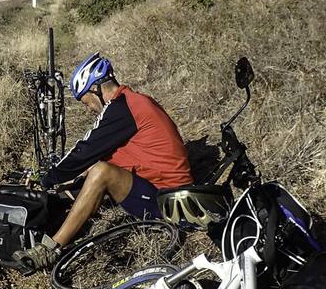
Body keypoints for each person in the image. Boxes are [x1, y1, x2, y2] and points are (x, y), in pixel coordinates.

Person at [14, 52, 194, 270]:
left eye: (86, 101)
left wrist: (47, 178)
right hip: (172, 194)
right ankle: (63, 210)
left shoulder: (121, 108)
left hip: (172, 204)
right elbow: (102, 157)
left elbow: (84, 150)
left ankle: (50, 249)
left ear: (95, 89)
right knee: (97, 167)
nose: (89, 109)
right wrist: (68, 183)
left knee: (101, 172)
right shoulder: (135, 101)